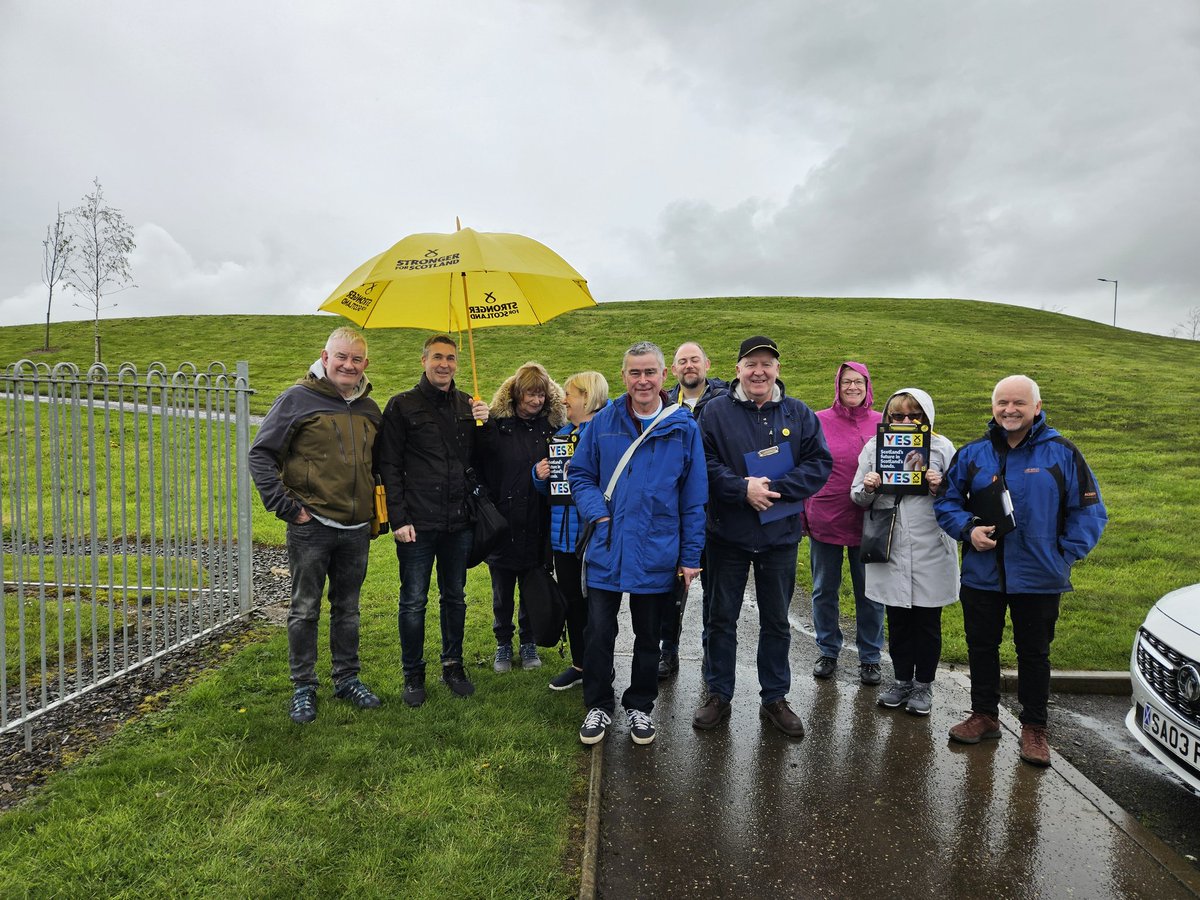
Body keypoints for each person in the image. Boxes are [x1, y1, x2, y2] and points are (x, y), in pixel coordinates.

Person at [935, 375, 1106, 767]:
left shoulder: (1062, 453)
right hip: (983, 574)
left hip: (1040, 576)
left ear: (1037, 408)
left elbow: (1090, 511)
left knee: (1034, 653)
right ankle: (984, 715)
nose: (1009, 410)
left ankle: (1034, 728)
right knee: (981, 645)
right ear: (993, 407)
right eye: (1002, 403)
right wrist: (968, 529)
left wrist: (1064, 556)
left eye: (1019, 403)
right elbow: (946, 502)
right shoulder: (974, 453)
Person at [692, 336, 832, 738]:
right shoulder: (715, 412)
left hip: (780, 537)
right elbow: (705, 463)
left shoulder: (799, 413)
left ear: (777, 370)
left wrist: (775, 490)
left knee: (776, 621)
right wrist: (741, 489)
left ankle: (775, 696)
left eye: (767, 364)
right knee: (721, 619)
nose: (759, 371)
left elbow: (819, 464)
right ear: (738, 369)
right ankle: (718, 692)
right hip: (727, 536)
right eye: (751, 364)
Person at [569, 342, 707, 746]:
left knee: (650, 636)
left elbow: (693, 497)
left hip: (656, 547)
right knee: (598, 632)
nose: (642, 380)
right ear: (624, 376)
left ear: (664, 376)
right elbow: (580, 474)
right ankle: (597, 703)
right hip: (608, 544)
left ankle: (640, 706)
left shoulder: (684, 427)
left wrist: (690, 556)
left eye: (650, 372)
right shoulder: (604, 421)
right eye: (634, 372)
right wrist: (599, 513)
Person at [249, 326, 383, 724]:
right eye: (341, 357)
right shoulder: (296, 399)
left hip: (356, 526)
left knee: (348, 609)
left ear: (365, 364)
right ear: (325, 358)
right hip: (311, 525)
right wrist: (289, 509)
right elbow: (261, 455)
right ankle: (303, 686)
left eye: (356, 359)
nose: (348, 365)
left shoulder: (369, 408)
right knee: (305, 609)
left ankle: (347, 678)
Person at [377, 334, 491, 707]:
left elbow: (480, 462)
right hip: (417, 524)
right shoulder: (402, 406)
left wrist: (483, 425)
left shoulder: (467, 404)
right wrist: (398, 518)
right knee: (413, 601)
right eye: (438, 357)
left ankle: (453, 664)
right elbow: (389, 466)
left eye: (451, 358)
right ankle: (413, 674)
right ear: (423, 360)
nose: (445, 364)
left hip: (458, 522)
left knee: (454, 597)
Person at [851, 388, 958, 715]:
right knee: (897, 620)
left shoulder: (942, 448)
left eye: (915, 416)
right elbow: (857, 496)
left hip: (930, 546)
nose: (907, 421)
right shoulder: (874, 447)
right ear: (888, 419)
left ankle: (923, 686)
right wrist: (868, 486)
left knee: (927, 621)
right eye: (898, 416)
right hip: (892, 544)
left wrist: (941, 487)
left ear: (927, 418)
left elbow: (959, 499)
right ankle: (900, 682)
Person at [479, 362, 566, 673]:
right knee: (502, 592)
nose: (536, 401)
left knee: (533, 587)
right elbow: (479, 461)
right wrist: (477, 423)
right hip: (503, 522)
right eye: (530, 394)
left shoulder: (552, 429)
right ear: (515, 394)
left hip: (539, 522)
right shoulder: (496, 426)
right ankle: (503, 643)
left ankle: (528, 642)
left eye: (541, 395)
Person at [805, 361, 885, 686]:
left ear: (868, 386)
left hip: (870, 520)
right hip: (827, 516)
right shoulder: (819, 421)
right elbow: (805, 465)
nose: (853, 387)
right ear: (837, 386)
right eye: (846, 382)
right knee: (824, 589)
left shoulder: (883, 422)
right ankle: (828, 650)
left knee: (870, 592)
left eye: (859, 382)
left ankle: (870, 657)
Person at [532, 371, 611, 690]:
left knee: (599, 610)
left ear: (588, 396)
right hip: (562, 539)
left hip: (593, 539)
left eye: (570, 394)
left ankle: (600, 669)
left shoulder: (605, 434)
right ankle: (580, 665)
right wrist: (539, 475)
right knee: (573, 606)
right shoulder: (561, 435)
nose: (563, 399)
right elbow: (551, 488)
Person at [658, 341, 727, 678]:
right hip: (678, 513)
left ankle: (710, 654)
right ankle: (667, 651)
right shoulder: (665, 404)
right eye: (682, 361)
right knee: (673, 589)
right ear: (674, 370)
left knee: (715, 591)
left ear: (707, 364)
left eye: (695, 360)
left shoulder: (727, 402)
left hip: (718, 512)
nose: (689, 366)